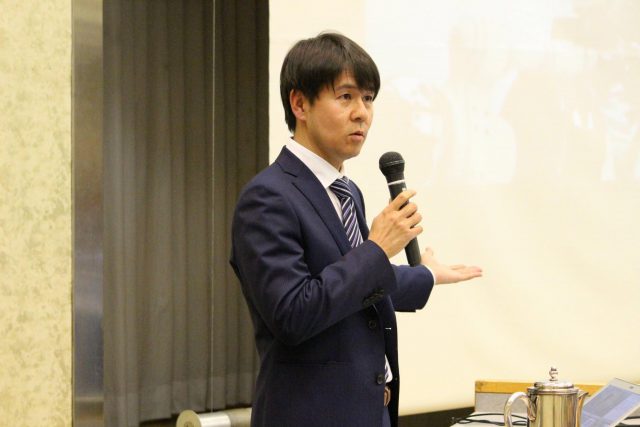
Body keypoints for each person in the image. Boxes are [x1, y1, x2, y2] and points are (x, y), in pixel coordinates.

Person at [230, 32, 482, 427]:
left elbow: (358, 289)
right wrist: (377, 249)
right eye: (345, 97)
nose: (361, 113)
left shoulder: (347, 192)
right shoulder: (267, 197)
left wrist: (427, 275)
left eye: (368, 98)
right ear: (300, 104)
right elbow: (293, 313)